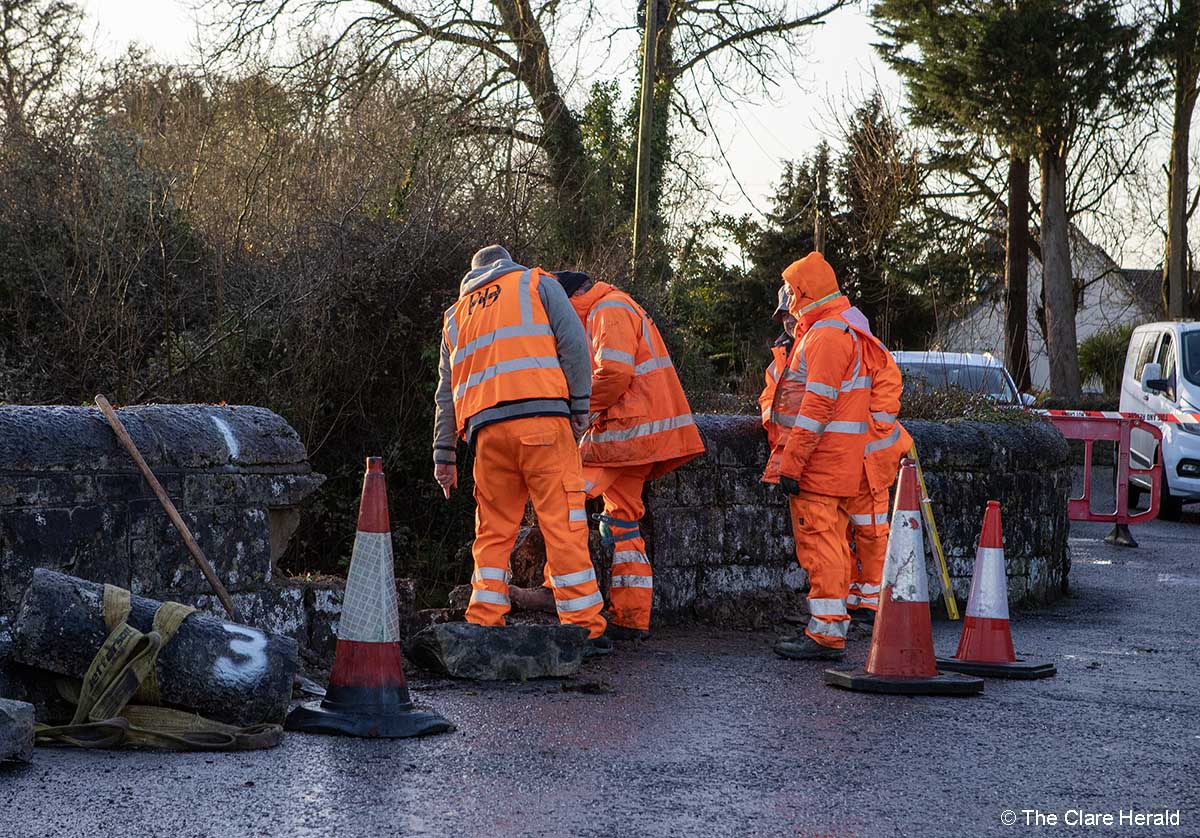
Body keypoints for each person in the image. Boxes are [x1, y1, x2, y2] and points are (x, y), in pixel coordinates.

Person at [433, 246, 610, 652]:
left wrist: (444, 457)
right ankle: (585, 627)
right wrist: (579, 407)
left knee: (492, 532)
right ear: (507, 263)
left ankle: (484, 620)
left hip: (487, 437)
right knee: (563, 527)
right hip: (543, 425)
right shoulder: (536, 283)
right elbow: (576, 348)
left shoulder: (456, 316)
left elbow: (445, 396)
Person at [760, 251, 909, 661]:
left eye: (791, 291)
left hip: (820, 464)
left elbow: (816, 407)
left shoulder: (824, 336)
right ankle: (833, 623)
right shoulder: (836, 331)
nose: (787, 300)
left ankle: (826, 633)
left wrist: (791, 463)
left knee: (821, 546)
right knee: (834, 546)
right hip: (836, 462)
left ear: (802, 292)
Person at [554, 270, 706, 641]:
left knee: (562, 503)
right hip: (636, 436)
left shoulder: (609, 310)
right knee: (621, 522)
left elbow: (615, 374)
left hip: (623, 435)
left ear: (570, 299)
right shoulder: (614, 306)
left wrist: (577, 409)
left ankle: (569, 605)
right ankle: (631, 616)